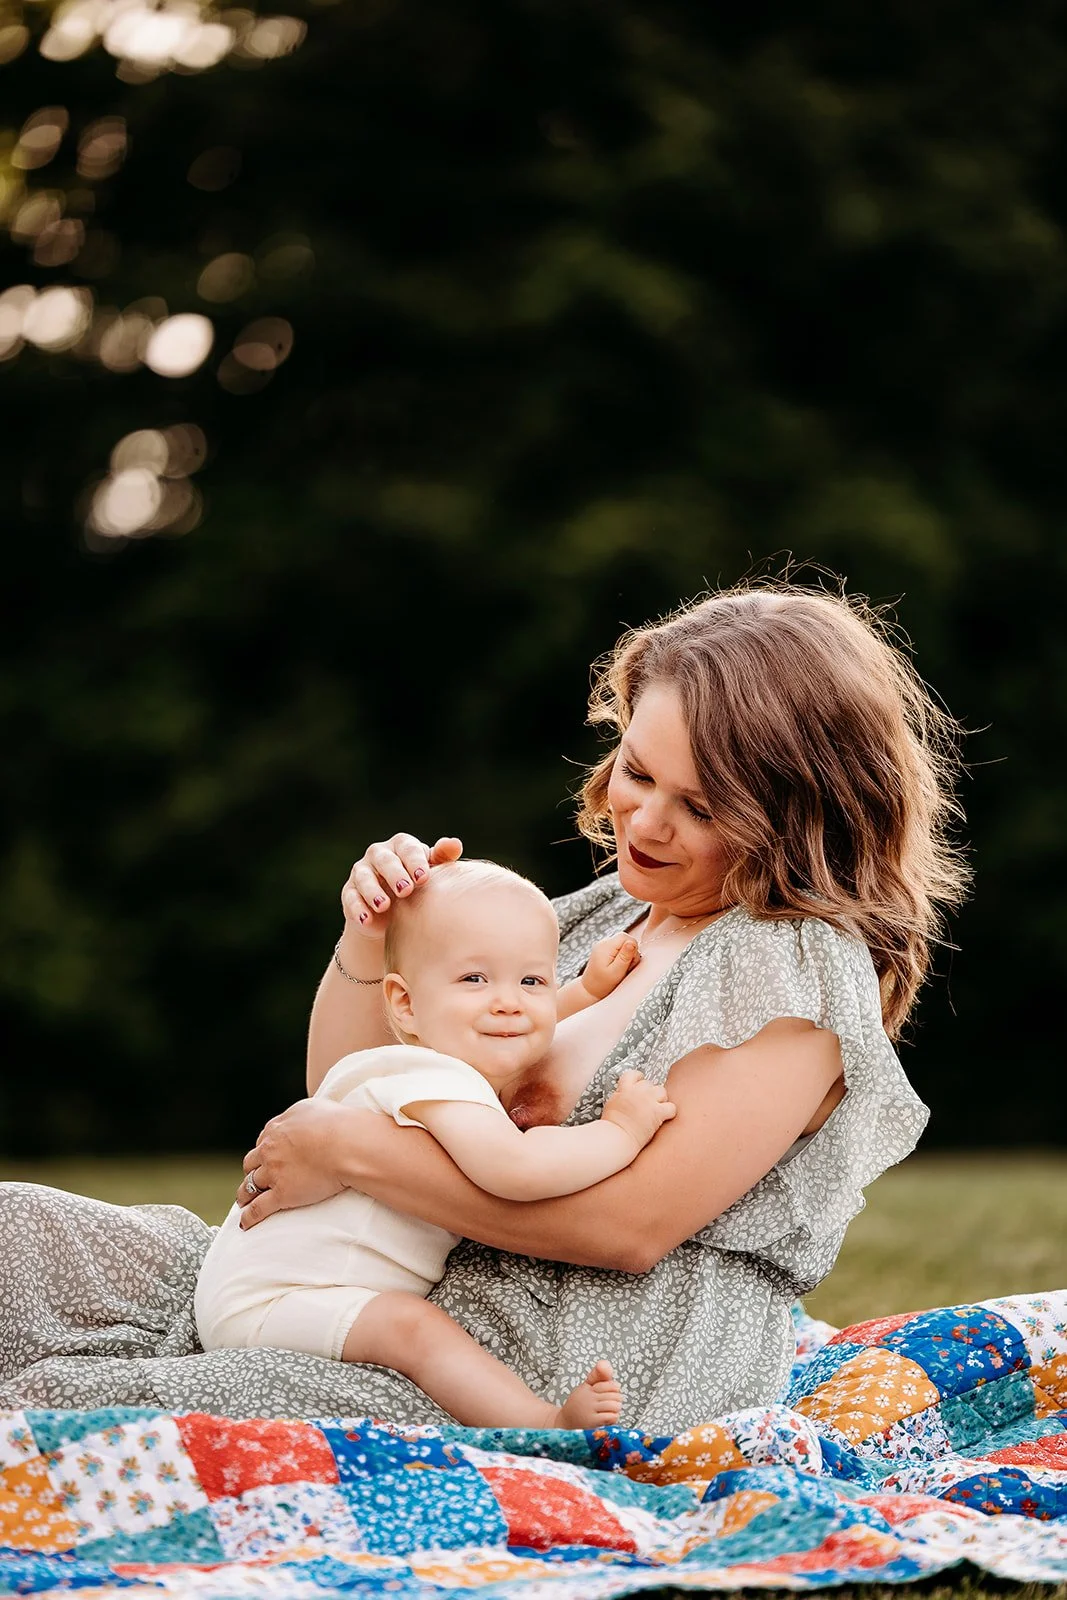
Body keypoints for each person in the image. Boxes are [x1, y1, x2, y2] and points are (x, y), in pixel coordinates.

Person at [0, 578, 969, 1430]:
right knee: (16, 1235)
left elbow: (626, 1228)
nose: (643, 818)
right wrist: (369, 936)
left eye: (703, 806)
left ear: (799, 810)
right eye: (636, 770)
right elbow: (355, 1085)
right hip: (397, 1274)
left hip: (565, 1354)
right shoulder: (604, 911)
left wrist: (354, 1155)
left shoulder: (785, 963)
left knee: (66, 1411)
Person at [194, 859, 675, 1429]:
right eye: (474, 979)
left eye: (532, 980)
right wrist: (620, 1131)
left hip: (260, 1289)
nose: (507, 1002)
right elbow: (515, 1169)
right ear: (403, 1003)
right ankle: (543, 1424)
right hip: (279, 1300)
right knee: (413, 1329)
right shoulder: (434, 1080)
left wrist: (584, 991)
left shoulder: (436, 1062)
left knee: (408, 1321)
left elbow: (511, 1028)